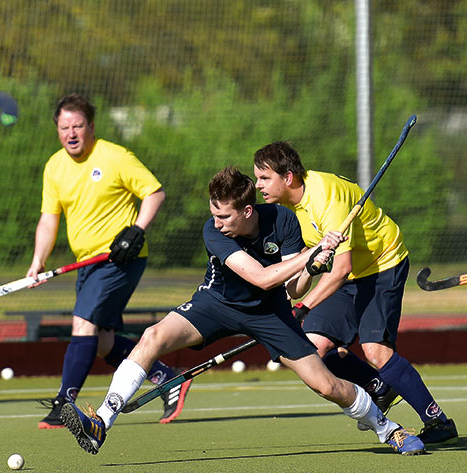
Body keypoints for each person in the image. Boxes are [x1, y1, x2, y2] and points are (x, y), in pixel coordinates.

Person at [61, 167, 425, 456]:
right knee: (152, 336)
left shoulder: (283, 221)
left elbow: (291, 288)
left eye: (224, 216)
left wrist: (313, 268)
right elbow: (263, 278)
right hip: (215, 304)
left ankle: (386, 429)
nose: (217, 222)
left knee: (326, 384)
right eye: (214, 214)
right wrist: (309, 256)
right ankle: (102, 423)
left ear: (247, 210)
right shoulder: (213, 232)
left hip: (271, 315)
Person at [253, 141, 457, 445]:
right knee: (313, 348)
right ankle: (378, 387)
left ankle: (438, 421)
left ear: (288, 177)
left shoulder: (325, 197)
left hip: (381, 264)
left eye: (264, 178)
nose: (258, 186)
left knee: (376, 350)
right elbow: (312, 265)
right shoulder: (287, 210)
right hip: (346, 274)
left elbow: (342, 267)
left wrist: (303, 307)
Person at [28, 93, 191, 429]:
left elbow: (154, 192)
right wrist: (38, 261)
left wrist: (137, 229)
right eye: (64, 127)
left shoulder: (115, 156)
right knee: (101, 342)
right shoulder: (54, 166)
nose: (71, 133)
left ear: (91, 126)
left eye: (77, 126)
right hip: (86, 263)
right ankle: (167, 378)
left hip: (119, 260)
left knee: (82, 325)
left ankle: (64, 402)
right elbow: (48, 219)